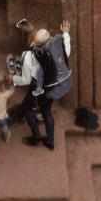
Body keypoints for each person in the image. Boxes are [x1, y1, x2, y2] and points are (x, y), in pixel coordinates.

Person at [23, 19, 72, 152]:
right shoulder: (57, 44)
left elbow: (30, 76)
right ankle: (50, 141)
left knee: (27, 108)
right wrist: (66, 33)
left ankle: (37, 138)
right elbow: (67, 52)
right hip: (60, 85)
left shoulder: (37, 55)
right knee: (46, 110)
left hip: (44, 88)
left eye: (36, 42)